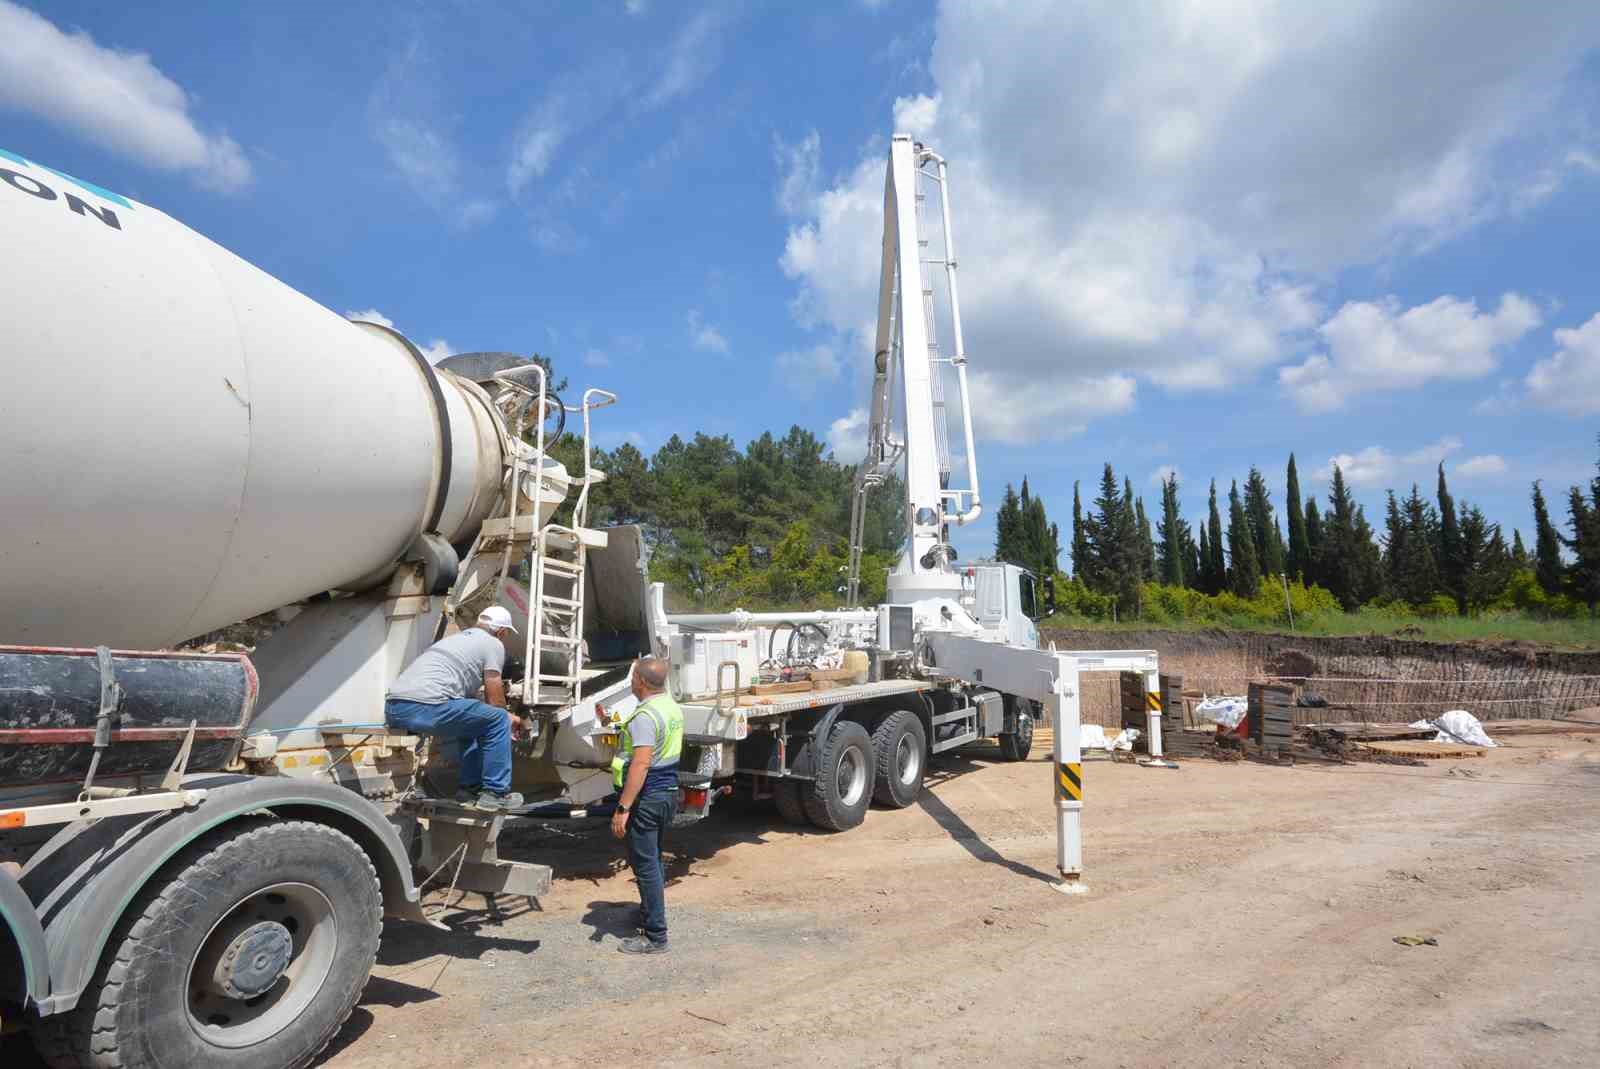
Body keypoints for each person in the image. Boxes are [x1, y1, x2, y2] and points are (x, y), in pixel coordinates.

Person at [385, 606, 529, 812]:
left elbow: (470, 707)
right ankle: (496, 793)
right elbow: (494, 688)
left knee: (469, 724)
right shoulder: (493, 643)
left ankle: (469, 790)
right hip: (428, 705)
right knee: (497, 719)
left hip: (396, 708)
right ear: (502, 632)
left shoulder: (456, 641)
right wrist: (507, 717)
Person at [606, 656, 683, 954]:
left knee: (646, 865)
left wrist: (623, 808)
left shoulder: (645, 717)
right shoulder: (670, 707)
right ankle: (649, 913)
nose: (630, 681)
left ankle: (655, 936)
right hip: (666, 795)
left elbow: (641, 764)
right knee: (653, 859)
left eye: (632, 676)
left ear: (639, 680)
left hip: (646, 798)